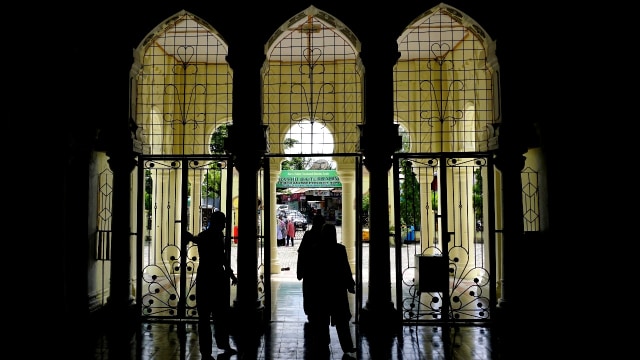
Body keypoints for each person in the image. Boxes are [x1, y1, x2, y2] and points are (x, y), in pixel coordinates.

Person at [184, 211, 238, 359]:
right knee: (220, 314)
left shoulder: (203, 236)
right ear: (218, 223)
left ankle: (206, 351)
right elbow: (222, 259)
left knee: (204, 317)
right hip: (217, 277)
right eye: (223, 222)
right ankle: (222, 344)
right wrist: (231, 274)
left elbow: (195, 239)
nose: (225, 225)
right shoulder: (218, 237)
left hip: (205, 276)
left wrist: (189, 236)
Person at [297, 214, 326, 317]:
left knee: (309, 294)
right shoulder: (324, 236)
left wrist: (300, 271)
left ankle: (310, 313)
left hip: (309, 271)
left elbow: (301, 253)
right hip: (322, 272)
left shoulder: (308, 235)